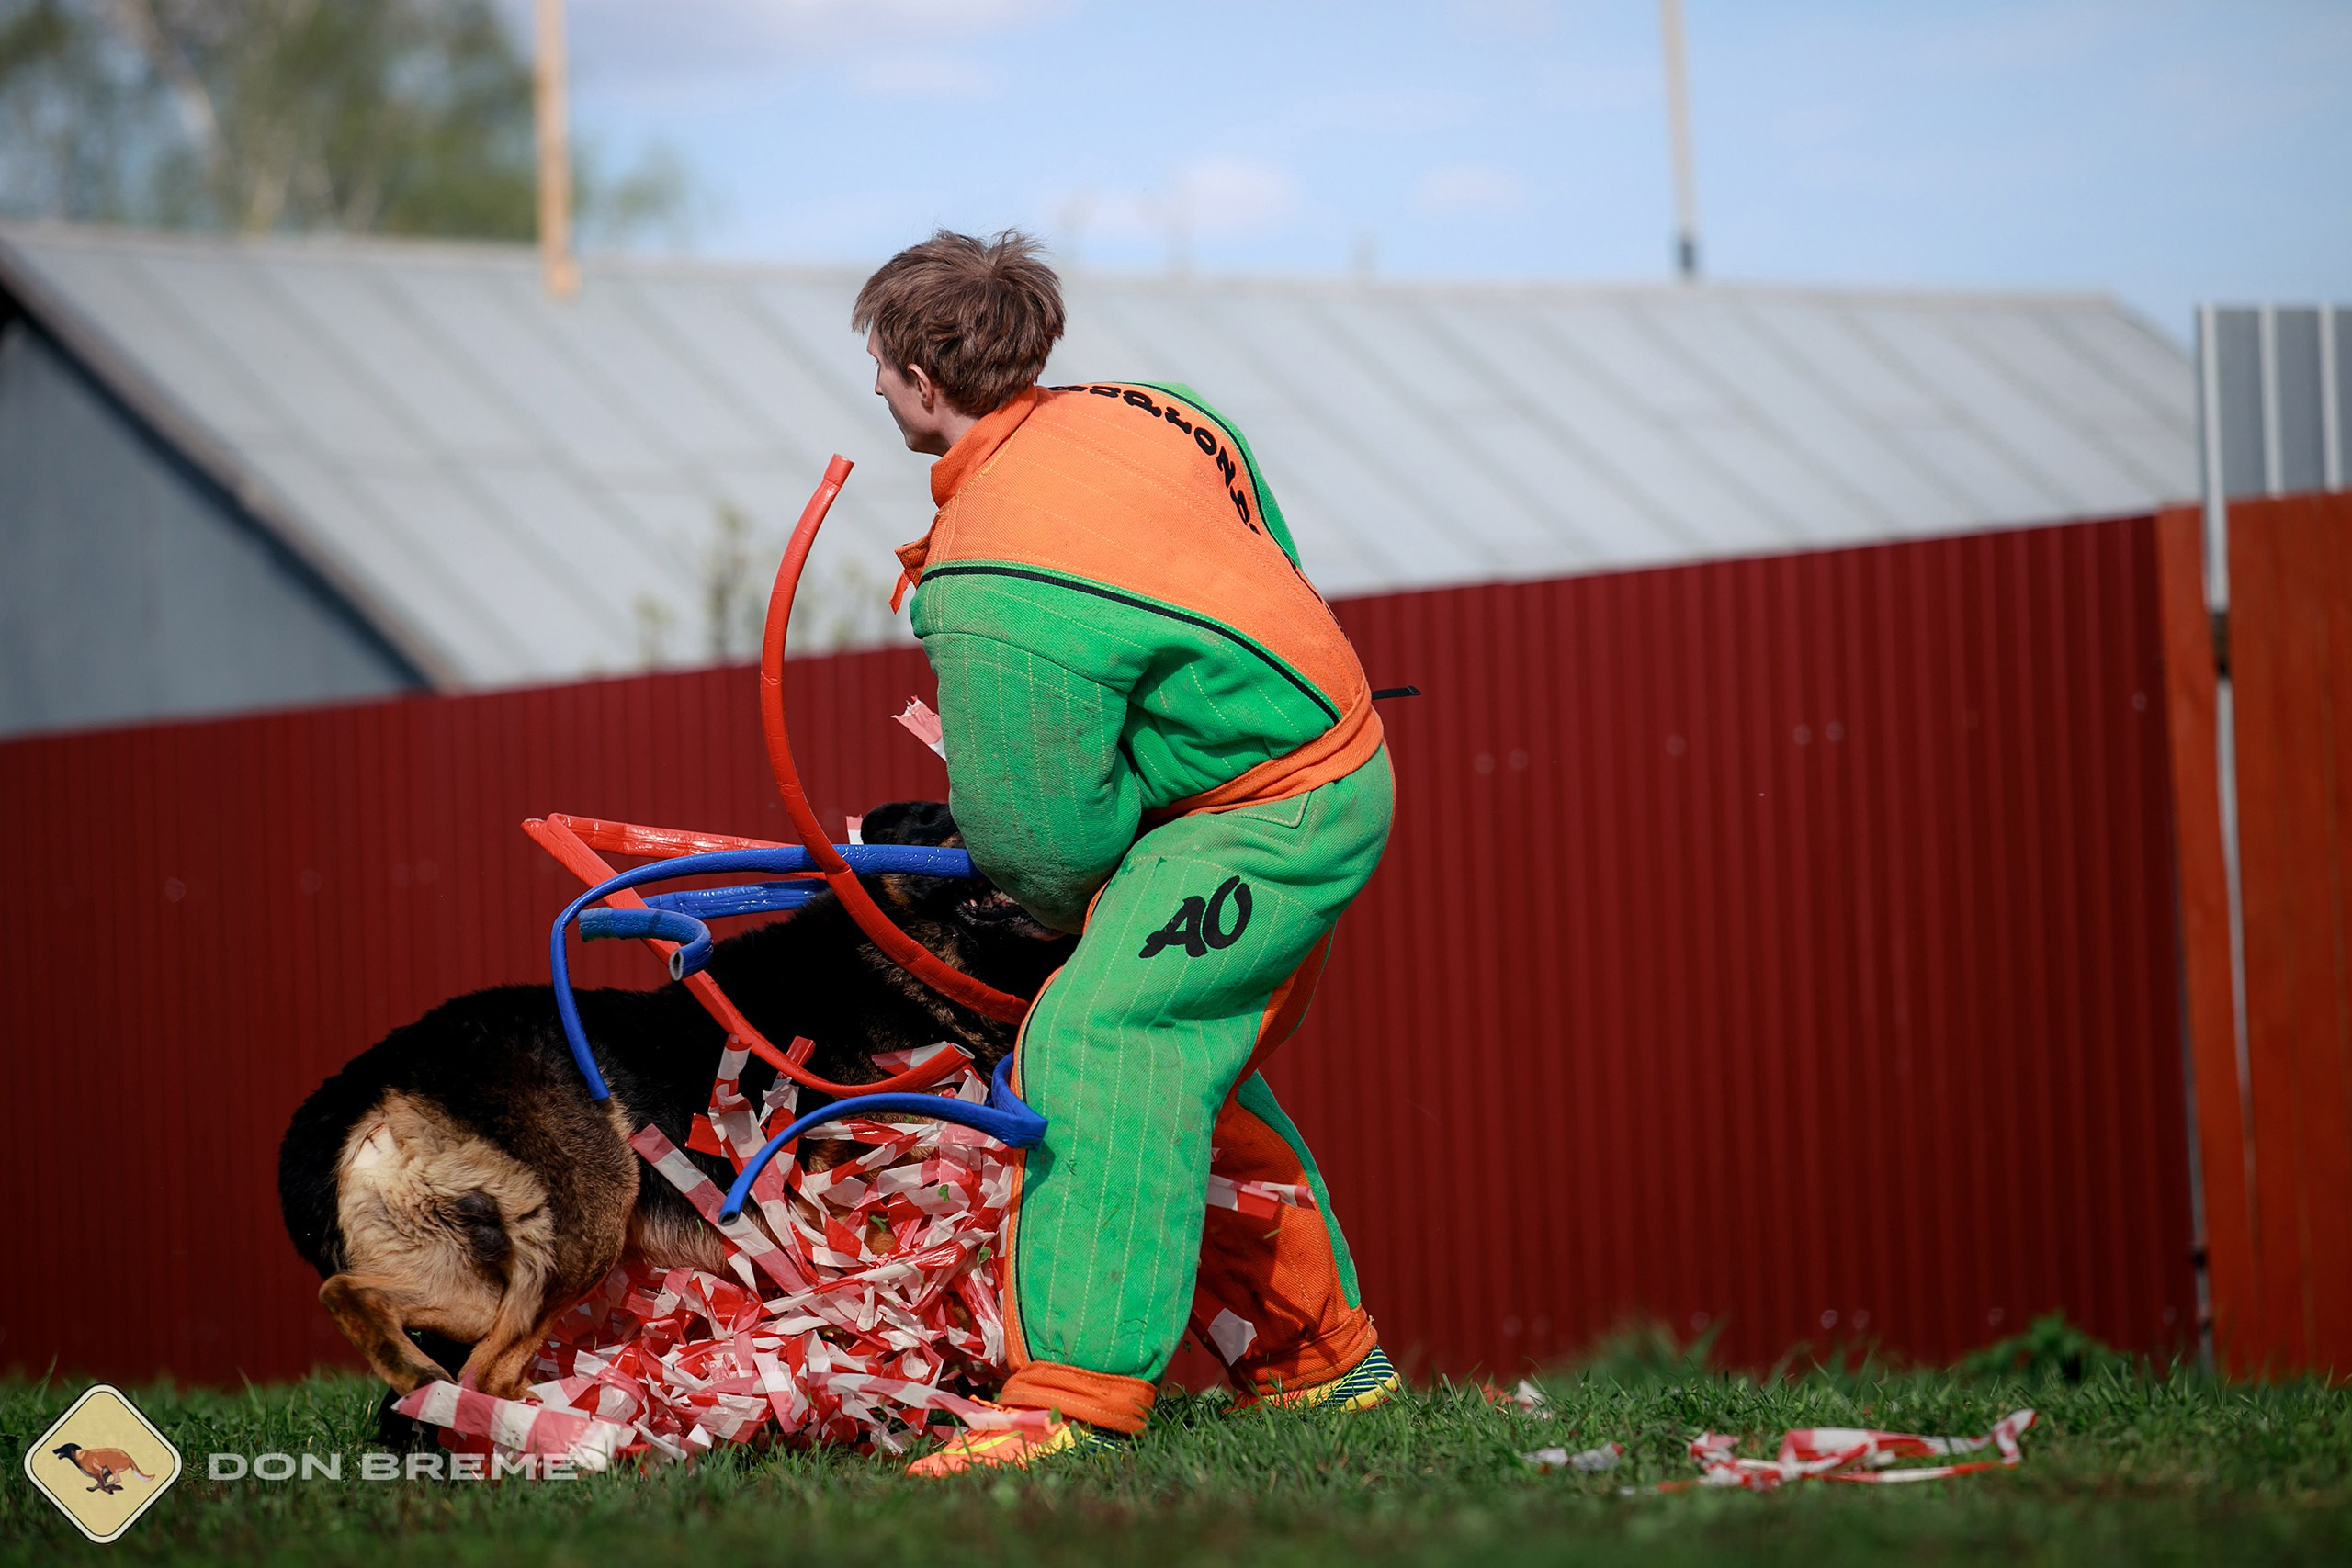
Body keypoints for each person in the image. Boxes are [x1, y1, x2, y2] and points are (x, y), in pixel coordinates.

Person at [854, 231, 1398, 1474]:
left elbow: (1040, 844)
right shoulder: (1147, 410)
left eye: (880, 369)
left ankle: (1072, 1402)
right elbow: (1264, 546)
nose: (878, 391)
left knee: (1101, 1038)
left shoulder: (990, 570)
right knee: (1183, 1057)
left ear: (923, 379)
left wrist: (1103, 880)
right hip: (1331, 750)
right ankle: (1322, 1364)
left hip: (1263, 815)